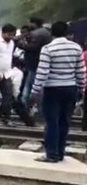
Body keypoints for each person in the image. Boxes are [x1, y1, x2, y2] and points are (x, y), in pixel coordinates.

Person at [30, 21, 85, 162]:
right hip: (70, 88)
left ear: (51, 33)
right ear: (67, 32)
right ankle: (60, 153)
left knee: (52, 121)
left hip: (52, 89)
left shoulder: (48, 48)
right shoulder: (76, 48)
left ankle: (51, 154)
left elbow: (43, 72)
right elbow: (80, 71)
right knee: (64, 121)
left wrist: (35, 90)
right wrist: (81, 88)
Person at [19, 17, 52, 106]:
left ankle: (25, 106)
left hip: (35, 63)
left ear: (34, 23)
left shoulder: (37, 34)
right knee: (35, 86)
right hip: (41, 63)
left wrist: (20, 44)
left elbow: (31, 47)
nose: (29, 25)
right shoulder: (45, 32)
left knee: (31, 86)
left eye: (30, 23)